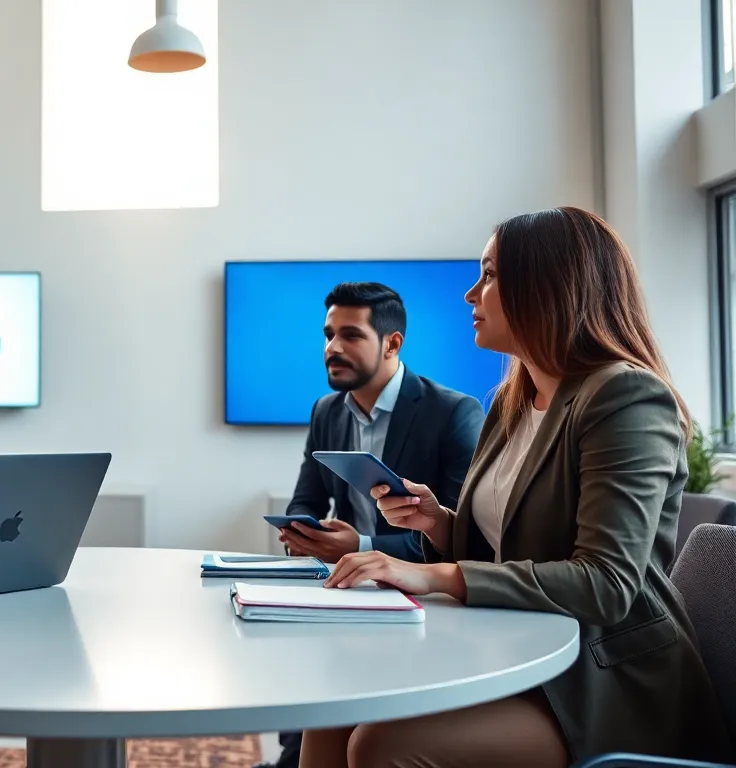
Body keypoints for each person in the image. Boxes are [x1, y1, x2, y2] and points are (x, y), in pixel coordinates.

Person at [301, 207, 735, 767]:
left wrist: (430, 572)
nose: (470, 294)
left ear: (549, 286)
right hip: (516, 645)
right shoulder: (511, 401)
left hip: (601, 678)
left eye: (490, 275)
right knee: (331, 707)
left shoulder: (626, 398)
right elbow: (513, 549)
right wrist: (440, 523)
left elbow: (605, 584)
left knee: (381, 745)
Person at [259, 282, 485, 768]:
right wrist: (304, 533)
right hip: (349, 586)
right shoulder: (327, 411)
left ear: (392, 343)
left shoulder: (453, 414)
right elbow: (307, 498)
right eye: (327, 335)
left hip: (424, 597)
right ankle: (291, 757)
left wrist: (359, 543)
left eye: (350, 335)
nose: (332, 349)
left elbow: (458, 535)